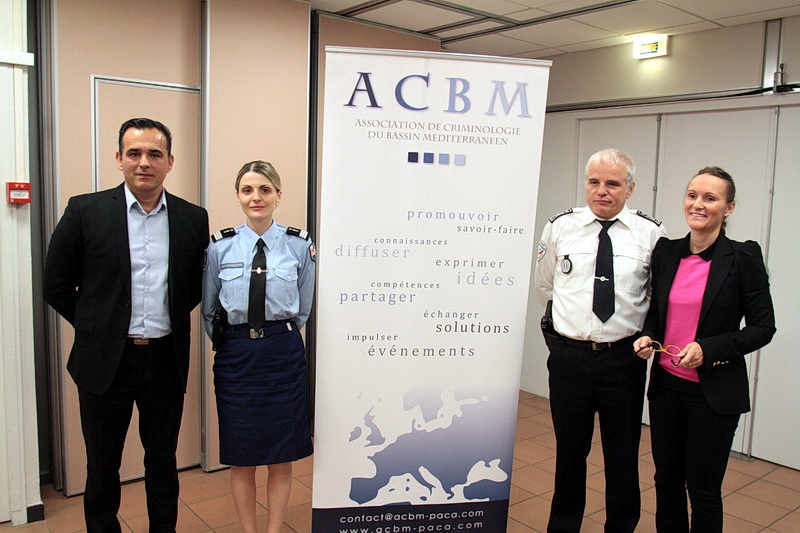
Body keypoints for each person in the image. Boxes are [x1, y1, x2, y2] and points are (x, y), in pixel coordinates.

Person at [43, 117, 209, 532]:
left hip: (163, 362)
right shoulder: (86, 210)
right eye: (134, 153)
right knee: (102, 467)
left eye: (154, 154)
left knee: (162, 464)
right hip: (103, 363)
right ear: (118, 159)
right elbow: (56, 284)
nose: (144, 163)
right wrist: (98, 325)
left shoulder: (192, 218)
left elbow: (191, 287)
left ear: (170, 162)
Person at [633, 167, 775, 532]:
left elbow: (763, 328)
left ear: (728, 208)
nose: (698, 204)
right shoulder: (666, 252)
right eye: (692, 195)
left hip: (713, 394)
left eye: (710, 198)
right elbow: (657, 313)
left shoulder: (743, 258)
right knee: (666, 481)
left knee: (703, 489)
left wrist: (709, 349)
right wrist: (648, 336)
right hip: (667, 389)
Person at [534, 148, 667, 533]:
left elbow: (655, 299)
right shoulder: (560, 227)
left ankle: (621, 527)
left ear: (630, 189)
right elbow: (546, 286)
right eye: (594, 182)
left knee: (622, 455)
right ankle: (563, 527)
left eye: (612, 183)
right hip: (570, 359)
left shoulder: (650, 233)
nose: (602, 191)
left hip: (622, 361)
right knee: (569, 453)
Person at [202, 160, 315, 533]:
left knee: (282, 456)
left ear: (278, 195)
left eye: (265, 189)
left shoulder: (300, 245)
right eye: (248, 190)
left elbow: (303, 308)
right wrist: (240, 340)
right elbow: (209, 309)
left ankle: (274, 529)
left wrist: (273, 336)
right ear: (238, 196)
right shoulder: (220, 247)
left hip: (282, 355)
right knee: (242, 456)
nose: (256, 197)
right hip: (237, 359)